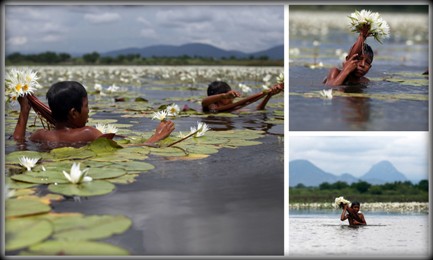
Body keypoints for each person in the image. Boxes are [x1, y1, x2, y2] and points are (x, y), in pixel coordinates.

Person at [13, 81, 175, 147]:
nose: (89, 111)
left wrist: (24, 111)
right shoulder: (88, 133)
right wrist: (157, 136)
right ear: (74, 113)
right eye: (86, 106)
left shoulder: (39, 135)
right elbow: (131, 149)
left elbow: (18, 141)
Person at [201, 81, 283, 113]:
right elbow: (204, 102)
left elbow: (257, 109)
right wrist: (223, 96)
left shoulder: (236, 109)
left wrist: (268, 96)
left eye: (231, 96)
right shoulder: (212, 107)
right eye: (226, 98)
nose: (230, 99)